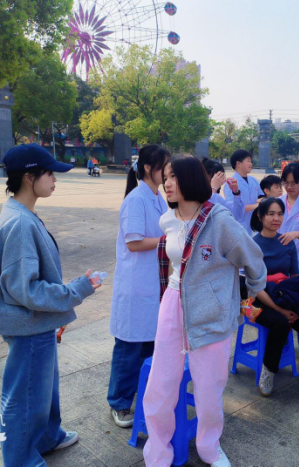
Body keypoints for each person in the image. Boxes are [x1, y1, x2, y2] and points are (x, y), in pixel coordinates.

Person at [143, 156, 267, 468]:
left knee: (209, 387)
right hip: (173, 303)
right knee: (160, 385)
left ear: (190, 179)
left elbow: (253, 259)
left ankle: (209, 448)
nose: (167, 183)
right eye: (165, 177)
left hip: (211, 311)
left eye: (173, 177)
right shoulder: (168, 219)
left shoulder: (219, 220)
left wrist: (249, 294)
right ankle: (158, 453)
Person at [0, 144, 102, 467]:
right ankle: (20, 460)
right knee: (25, 396)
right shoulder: (19, 223)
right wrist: (76, 290)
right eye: (50, 174)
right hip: (29, 325)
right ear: (29, 178)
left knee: (42, 387)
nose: (56, 179)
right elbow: (26, 290)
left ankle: (47, 437)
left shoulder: (19, 213)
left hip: (36, 322)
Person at [108, 145, 170, 428]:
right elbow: (134, 242)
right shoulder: (136, 199)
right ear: (148, 168)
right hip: (135, 286)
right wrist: (168, 241)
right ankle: (119, 403)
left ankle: (142, 395)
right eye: (164, 166)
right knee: (129, 348)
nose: (168, 172)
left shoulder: (157, 197)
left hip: (152, 284)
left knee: (148, 344)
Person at [253, 198, 299, 405]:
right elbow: (255, 287)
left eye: (280, 214)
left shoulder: (287, 242)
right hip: (258, 300)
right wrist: (281, 310)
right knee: (280, 323)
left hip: (284, 297)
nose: (276, 218)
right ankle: (268, 372)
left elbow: (294, 278)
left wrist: (298, 305)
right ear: (260, 216)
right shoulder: (253, 245)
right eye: (271, 214)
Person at [223, 149, 264, 235]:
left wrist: (257, 203)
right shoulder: (230, 183)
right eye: (248, 161)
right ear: (238, 163)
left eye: (251, 161)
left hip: (254, 225)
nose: (251, 164)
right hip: (239, 227)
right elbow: (234, 208)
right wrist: (257, 205)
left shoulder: (253, 180)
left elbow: (262, 197)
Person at [202, 158, 245, 223]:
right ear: (205, 175)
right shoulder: (196, 197)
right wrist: (213, 188)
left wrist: (236, 193)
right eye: (217, 175)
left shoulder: (217, 197)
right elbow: (207, 212)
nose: (220, 179)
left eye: (221, 176)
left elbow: (237, 215)